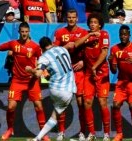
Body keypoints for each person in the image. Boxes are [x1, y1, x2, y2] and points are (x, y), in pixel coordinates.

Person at [0, 22, 50, 141]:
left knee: (39, 106)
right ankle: (9, 129)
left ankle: (43, 134)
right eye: (22, 32)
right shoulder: (13, 44)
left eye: (26, 32)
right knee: (11, 107)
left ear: (29, 32)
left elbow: (42, 61)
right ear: (19, 32)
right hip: (17, 81)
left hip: (32, 81)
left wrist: (44, 71)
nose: (24, 34)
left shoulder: (35, 47)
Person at [26, 37, 76, 141]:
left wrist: (30, 70)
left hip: (56, 89)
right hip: (69, 90)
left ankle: (37, 138)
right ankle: (55, 135)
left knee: (55, 115)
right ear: (51, 43)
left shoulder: (44, 57)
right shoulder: (63, 49)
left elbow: (38, 74)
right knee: (55, 115)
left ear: (42, 48)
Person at [73, 12, 111, 141]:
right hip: (89, 74)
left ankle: (106, 134)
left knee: (102, 103)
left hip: (101, 73)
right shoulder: (85, 34)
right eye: (91, 22)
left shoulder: (104, 35)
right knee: (87, 102)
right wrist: (88, 34)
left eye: (95, 22)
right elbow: (76, 44)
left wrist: (95, 66)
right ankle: (92, 133)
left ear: (100, 24)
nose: (93, 24)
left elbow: (104, 52)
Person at [53, 9, 88, 141]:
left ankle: (82, 132)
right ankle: (61, 132)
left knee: (80, 102)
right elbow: (54, 52)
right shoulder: (60, 32)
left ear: (77, 19)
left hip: (79, 72)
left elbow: (89, 52)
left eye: (73, 17)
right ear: (66, 18)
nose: (71, 19)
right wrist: (65, 48)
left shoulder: (83, 33)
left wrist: (83, 62)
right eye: (69, 17)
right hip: (65, 73)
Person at [109, 25, 132, 141]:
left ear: (129, 35)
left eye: (125, 34)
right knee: (115, 105)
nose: (123, 37)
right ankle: (119, 134)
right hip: (121, 82)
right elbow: (114, 70)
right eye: (121, 34)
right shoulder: (114, 49)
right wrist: (110, 63)